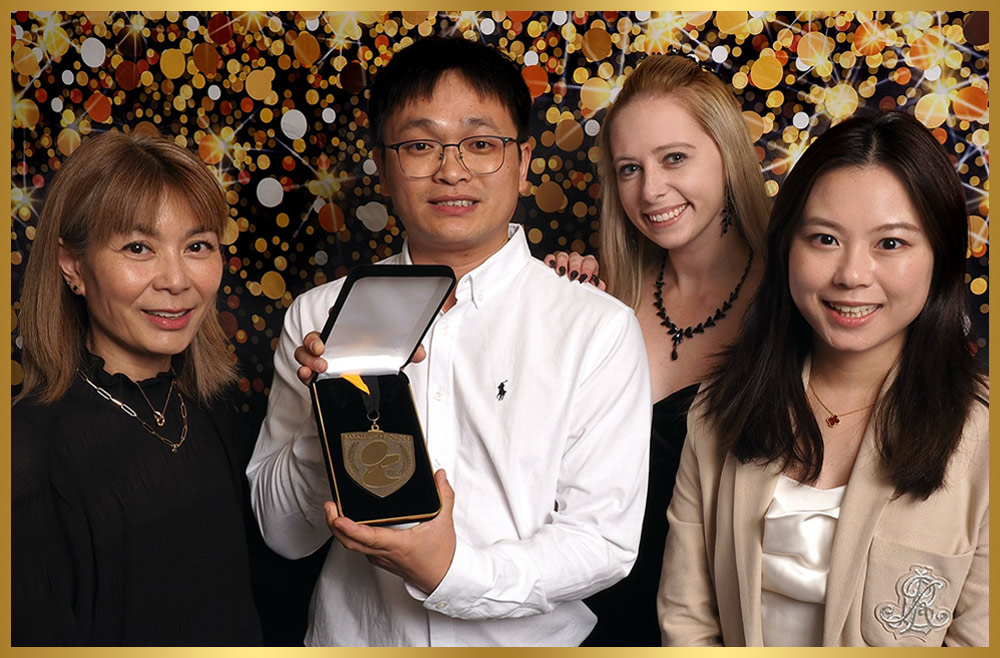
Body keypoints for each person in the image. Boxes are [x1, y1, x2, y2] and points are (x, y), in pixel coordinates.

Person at [247, 37, 652, 647]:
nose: (451, 169)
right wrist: (331, 405)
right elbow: (283, 534)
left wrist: (452, 573)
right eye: (418, 145)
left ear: (521, 163)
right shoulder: (319, 314)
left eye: (481, 143)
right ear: (383, 169)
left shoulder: (596, 328)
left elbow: (604, 543)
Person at [658, 111, 988, 646]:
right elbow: (687, 621)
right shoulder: (718, 409)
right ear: (788, 246)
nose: (852, 275)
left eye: (891, 244)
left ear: (940, 257)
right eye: (824, 239)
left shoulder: (982, 437)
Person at [547, 53, 770, 645]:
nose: (650, 190)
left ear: (727, 154)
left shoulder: (792, 301)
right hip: (575, 612)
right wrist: (546, 315)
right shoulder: (602, 296)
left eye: (674, 158)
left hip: (715, 619)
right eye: (628, 169)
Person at [12, 131, 262, 645]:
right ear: (72, 266)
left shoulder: (212, 410)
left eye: (197, 246)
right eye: (138, 247)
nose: (176, 280)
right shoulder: (28, 453)